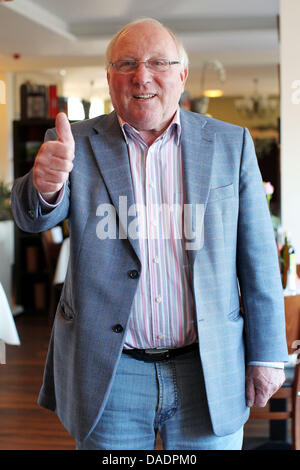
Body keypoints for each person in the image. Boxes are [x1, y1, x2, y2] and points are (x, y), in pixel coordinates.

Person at [11, 18, 288, 450]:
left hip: (208, 368)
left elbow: (257, 259)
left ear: (182, 75)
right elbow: (32, 219)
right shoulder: (75, 145)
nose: (142, 76)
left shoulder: (230, 144)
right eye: (126, 63)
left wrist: (267, 355)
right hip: (111, 372)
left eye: (158, 62)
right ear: (109, 78)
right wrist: (44, 186)